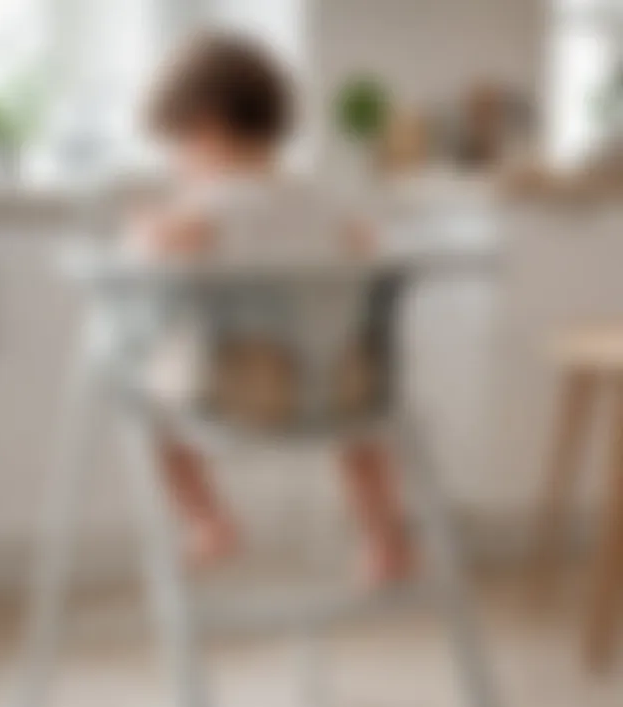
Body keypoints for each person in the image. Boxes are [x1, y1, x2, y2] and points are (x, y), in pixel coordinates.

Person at [129, 31, 412, 585]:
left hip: (238, 390)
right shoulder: (323, 200)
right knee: (362, 431)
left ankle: (209, 521)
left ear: (205, 126)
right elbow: (370, 245)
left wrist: (144, 228)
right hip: (342, 386)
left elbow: (155, 247)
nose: (177, 163)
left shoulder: (208, 206)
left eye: (177, 146)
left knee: (148, 410)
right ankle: (384, 540)